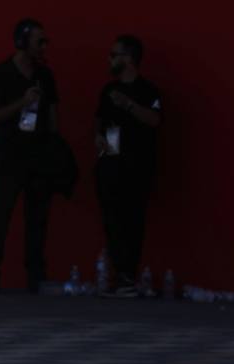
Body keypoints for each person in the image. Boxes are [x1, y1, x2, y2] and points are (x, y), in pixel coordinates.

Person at [0, 19, 60, 294]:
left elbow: (52, 117)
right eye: (39, 40)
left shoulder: (45, 76)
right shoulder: (1, 74)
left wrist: (53, 147)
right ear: (22, 41)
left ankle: (36, 275)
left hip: (38, 156)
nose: (43, 46)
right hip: (9, 155)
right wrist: (22, 103)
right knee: (0, 215)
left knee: (38, 217)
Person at [94, 35, 161, 298]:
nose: (110, 59)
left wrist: (129, 104)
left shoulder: (148, 90)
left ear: (129, 58)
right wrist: (98, 141)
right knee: (111, 220)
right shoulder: (106, 91)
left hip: (137, 166)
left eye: (114, 54)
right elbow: (98, 122)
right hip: (110, 163)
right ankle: (117, 275)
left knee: (133, 221)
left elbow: (155, 119)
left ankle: (128, 277)